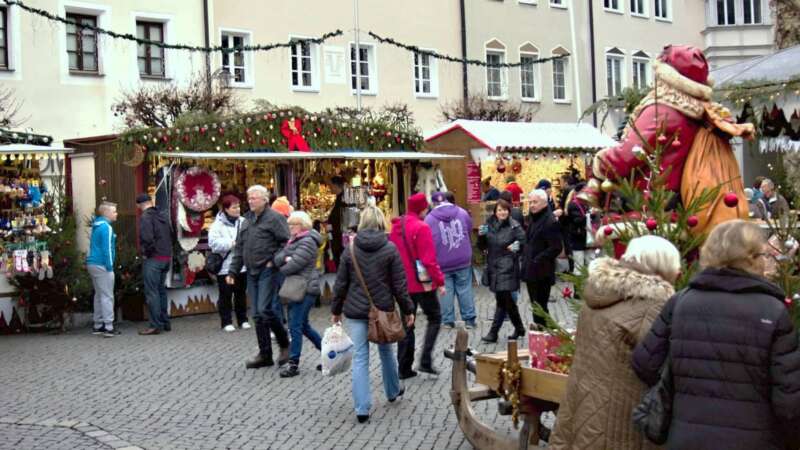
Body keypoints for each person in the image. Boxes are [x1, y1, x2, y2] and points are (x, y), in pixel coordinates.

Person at [633, 220, 800, 450]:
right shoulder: (772, 310)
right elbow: (789, 399)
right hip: (754, 440)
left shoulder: (681, 301)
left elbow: (645, 363)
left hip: (685, 437)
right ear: (752, 257)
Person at [549, 236, 681, 450]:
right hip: (621, 412)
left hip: (583, 401)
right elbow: (660, 363)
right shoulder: (654, 304)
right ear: (663, 266)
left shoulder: (599, 291)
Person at [331, 206, 415, 424]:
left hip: (356, 311)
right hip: (382, 309)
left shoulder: (349, 250)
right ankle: (393, 390)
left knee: (360, 357)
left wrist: (335, 310)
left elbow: (340, 284)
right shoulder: (389, 249)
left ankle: (361, 408)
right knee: (386, 351)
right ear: (381, 223)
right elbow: (399, 284)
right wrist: (408, 309)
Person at [227, 185, 291, 369]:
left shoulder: (275, 218)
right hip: (251, 271)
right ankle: (265, 354)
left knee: (265, 310)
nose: (251, 201)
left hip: (267, 269)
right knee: (256, 314)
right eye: (249, 197)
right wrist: (232, 271)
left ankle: (284, 343)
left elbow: (286, 243)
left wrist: (275, 261)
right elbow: (240, 247)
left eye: (254, 197)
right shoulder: (247, 220)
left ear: (265, 199)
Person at [389, 193, 446, 378]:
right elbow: (429, 260)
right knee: (435, 317)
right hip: (421, 284)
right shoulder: (422, 227)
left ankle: (403, 367)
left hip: (402, 283)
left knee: (407, 323)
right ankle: (425, 360)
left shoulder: (397, 226)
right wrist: (440, 281)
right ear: (422, 208)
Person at [273, 211, 323, 378]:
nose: (289, 227)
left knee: (295, 326)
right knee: (304, 326)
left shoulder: (307, 241)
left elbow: (293, 265)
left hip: (305, 288)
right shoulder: (294, 241)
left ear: (301, 226)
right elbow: (279, 258)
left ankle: (293, 364)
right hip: (298, 287)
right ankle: (329, 353)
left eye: (292, 225)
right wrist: (286, 259)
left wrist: (285, 262)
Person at [425, 192, 476, 329]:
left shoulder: (429, 219)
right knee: (464, 289)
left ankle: (448, 320)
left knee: (445, 290)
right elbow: (469, 229)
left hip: (442, 260)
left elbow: (427, 241)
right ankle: (469, 319)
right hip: (462, 257)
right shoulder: (462, 212)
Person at [478, 199, 526, 343]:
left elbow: (524, 242)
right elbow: (482, 246)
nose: (502, 212)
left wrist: (518, 246)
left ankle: (493, 333)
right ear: (495, 212)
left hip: (508, 266)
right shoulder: (489, 225)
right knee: (506, 300)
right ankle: (519, 327)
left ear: (509, 211)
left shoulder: (514, 226)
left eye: (505, 210)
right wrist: (481, 236)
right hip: (493, 265)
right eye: (499, 210)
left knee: (502, 299)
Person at [521, 189, 562, 326]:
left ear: (544, 203)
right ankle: (543, 335)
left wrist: (537, 260)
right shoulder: (534, 218)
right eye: (530, 202)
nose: (532, 205)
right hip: (531, 270)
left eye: (535, 202)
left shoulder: (550, 221)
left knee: (540, 307)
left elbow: (556, 247)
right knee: (537, 307)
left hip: (542, 272)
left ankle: (548, 334)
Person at [208, 195, 249, 332]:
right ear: (226, 209)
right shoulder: (217, 225)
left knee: (241, 294)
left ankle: (243, 319)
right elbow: (213, 244)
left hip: (241, 265)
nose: (237, 209)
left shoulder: (244, 222)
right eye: (234, 207)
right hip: (225, 267)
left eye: (238, 206)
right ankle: (226, 321)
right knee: (226, 294)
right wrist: (232, 244)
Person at [136, 194, 173, 336]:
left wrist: (146, 253)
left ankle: (155, 325)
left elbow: (147, 238)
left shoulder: (146, 217)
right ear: (151, 202)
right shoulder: (162, 215)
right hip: (166, 257)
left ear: (139, 206)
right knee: (161, 290)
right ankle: (165, 322)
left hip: (154, 258)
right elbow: (171, 234)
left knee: (152, 292)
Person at [86, 201, 118, 337]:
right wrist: (110, 267)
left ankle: (98, 325)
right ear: (108, 213)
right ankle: (109, 327)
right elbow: (107, 249)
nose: (117, 214)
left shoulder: (96, 226)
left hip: (92, 263)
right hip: (102, 264)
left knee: (99, 295)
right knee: (107, 296)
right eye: (115, 211)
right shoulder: (107, 227)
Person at [564, 183, 589, 274]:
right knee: (579, 266)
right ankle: (578, 287)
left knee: (587, 264)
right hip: (578, 239)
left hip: (585, 238)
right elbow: (577, 220)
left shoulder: (585, 203)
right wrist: (590, 216)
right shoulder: (574, 204)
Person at [327, 176, 346, 263]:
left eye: (330, 185)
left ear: (335, 185)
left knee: (340, 259)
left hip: (339, 235)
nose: (329, 187)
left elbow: (338, 217)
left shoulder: (343, 199)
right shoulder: (340, 197)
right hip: (338, 234)